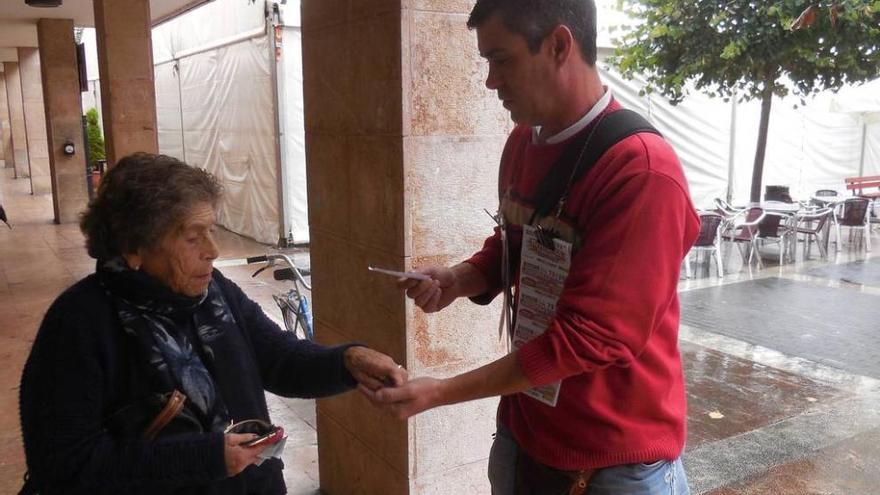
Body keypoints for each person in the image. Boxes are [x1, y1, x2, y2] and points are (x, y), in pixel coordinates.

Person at [362, 1, 699, 493]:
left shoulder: (641, 173)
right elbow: (517, 244)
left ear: (560, 45)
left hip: (614, 462)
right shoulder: (523, 143)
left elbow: (588, 337)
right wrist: (460, 278)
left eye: (502, 59)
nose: (490, 82)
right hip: (526, 436)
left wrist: (440, 392)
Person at [18, 153, 407, 495]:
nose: (213, 251)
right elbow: (65, 465)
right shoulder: (78, 325)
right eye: (192, 237)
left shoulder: (212, 293)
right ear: (133, 246)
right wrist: (206, 457)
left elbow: (279, 358)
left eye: (212, 230)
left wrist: (346, 362)